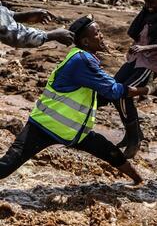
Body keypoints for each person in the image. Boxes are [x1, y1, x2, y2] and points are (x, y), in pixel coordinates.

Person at [0, 15, 148, 185]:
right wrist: (147, 90)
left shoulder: (80, 57)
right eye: (97, 33)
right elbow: (114, 91)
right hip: (45, 127)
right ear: (85, 42)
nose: (101, 36)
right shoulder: (82, 61)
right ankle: (138, 181)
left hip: (72, 130)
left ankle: (138, 181)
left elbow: (100, 93)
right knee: (5, 166)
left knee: (108, 150)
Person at [106, 0, 157, 159]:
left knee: (123, 93)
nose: (148, 6)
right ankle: (133, 133)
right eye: (146, 2)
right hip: (137, 56)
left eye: (151, 3)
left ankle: (134, 140)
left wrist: (146, 48)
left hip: (150, 62)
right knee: (115, 89)